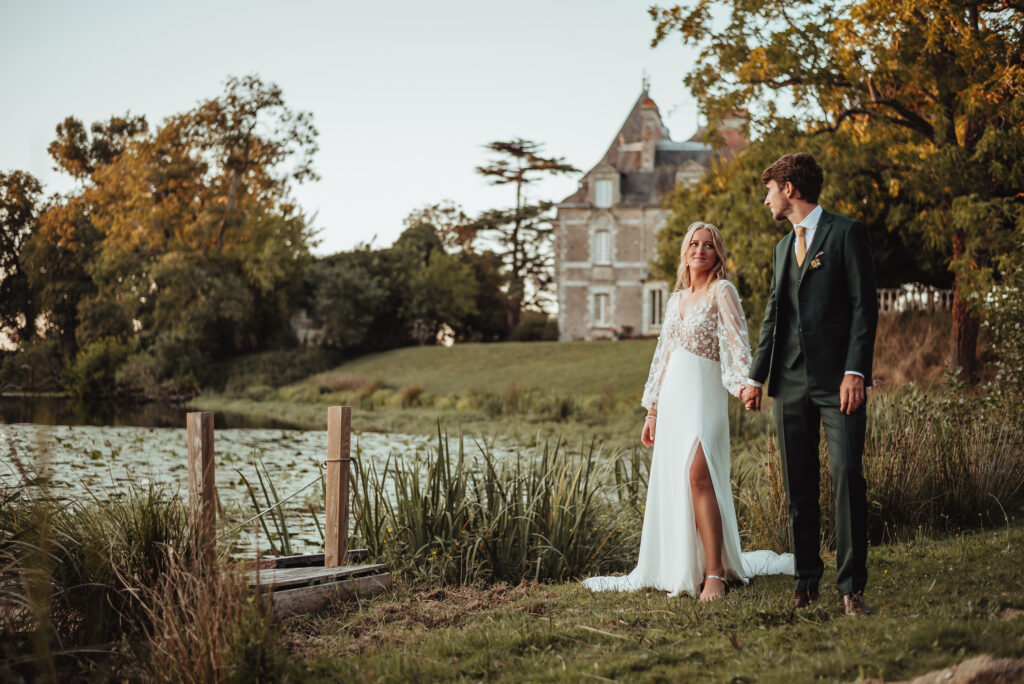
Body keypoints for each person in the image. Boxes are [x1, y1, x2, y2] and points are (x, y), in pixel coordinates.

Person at [583, 222, 792, 601]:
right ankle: (687, 566)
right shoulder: (675, 300)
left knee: (701, 471)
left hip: (705, 393)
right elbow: (662, 357)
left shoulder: (722, 291)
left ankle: (715, 574)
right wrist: (653, 411)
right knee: (682, 479)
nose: (700, 250)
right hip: (674, 396)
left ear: (717, 253)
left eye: (708, 245)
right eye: (694, 244)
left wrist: (747, 383)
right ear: (685, 252)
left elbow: (737, 344)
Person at [740, 153, 878, 616]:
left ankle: (851, 587)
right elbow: (774, 316)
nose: (766, 200)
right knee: (798, 485)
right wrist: (755, 376)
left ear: (790, 189)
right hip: (789, 381)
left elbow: (864, 308)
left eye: (770, 190)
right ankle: (805, 580)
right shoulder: (782, 249)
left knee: (846, 474)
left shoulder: (846, 233)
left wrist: (855, 372)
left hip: (839, 380)